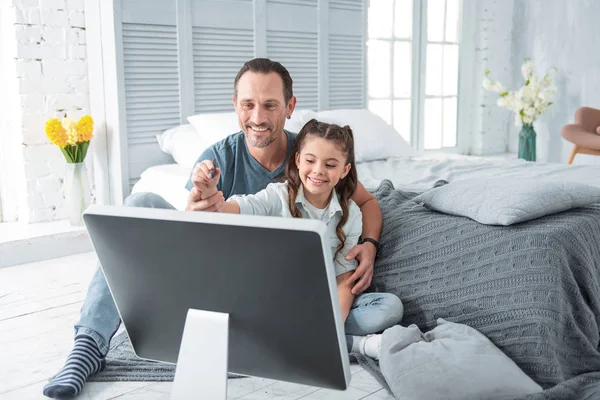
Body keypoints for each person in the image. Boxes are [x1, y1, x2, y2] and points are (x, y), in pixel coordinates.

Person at [43, 58, 402, 398]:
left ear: (290, 106)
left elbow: (366, 203)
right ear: (235, 105)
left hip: (286, 294)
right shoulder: (217, 158)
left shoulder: (311, 154)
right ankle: (87, 347)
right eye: (248, 104)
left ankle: (311, 339)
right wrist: (202, 199)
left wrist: (369, 244)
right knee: (138, 205)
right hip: (224, 283)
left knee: (384, 307)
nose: (257, 117)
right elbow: (189, 240)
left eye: (270, 105)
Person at [195, 118, 403, 358]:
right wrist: (211, 195)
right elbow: (238, 207)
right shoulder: (278, 196)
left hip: (319, 305)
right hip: (273, 300)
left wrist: (332, 324)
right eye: (310, 161)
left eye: (330, 164)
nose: (318, 171)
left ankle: (299, 337)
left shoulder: (351, 214)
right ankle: (355, 345)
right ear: (297, 160)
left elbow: (344, 278)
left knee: (389, 308)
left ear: (345, 171)